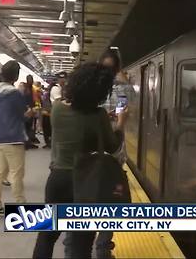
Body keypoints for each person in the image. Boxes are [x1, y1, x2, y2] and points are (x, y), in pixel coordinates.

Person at [33, 63, 129, 258]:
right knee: (80, 243)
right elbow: (112, 146)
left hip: (57, 180)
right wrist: (120, 123)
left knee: (46, 237)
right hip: (85, 183)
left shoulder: (58, 108)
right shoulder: (99, 115)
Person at [0, 61, 28, 216]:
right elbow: (21, 115)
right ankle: (20, 205)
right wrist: (29, 114)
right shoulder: (14, 93)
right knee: (16, 173)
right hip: (13, 138)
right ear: (16, 75)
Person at [24, 75, 39, 149]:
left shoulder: (31, 88)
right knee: (27, 127)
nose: (31, 81)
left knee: (30, 126)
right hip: (27, 110)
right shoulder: (26, 88)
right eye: (30, 79)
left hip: (31, 109)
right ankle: (27, 143)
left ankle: (29, 142)